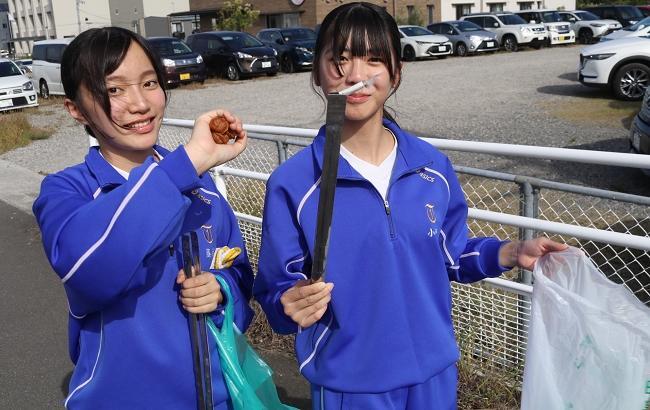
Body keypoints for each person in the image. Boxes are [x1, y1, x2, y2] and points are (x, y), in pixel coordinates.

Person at [253, 3, 568, 409]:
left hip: (434, 374)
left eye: (373, 59)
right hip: (350, 383)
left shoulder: (430, 166)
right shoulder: (294, 184)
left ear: (396, 72)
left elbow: (450, 255)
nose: (355, 75)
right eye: (340, 59)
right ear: (317, 70)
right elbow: (276, 291)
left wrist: (509, 252)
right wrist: (288, 303)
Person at [32, 27, 254, 409]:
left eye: (149, 82)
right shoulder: (67, 192)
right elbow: (90, 272)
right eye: (114, 90)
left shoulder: (202, 188)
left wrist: (220, 289)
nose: (140, 103)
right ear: (76, 109)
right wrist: (187, 164)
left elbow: (240, 274)